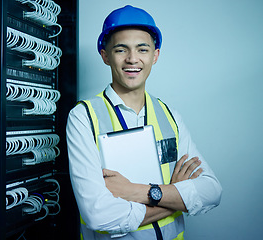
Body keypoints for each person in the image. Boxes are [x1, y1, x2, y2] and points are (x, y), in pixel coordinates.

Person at [66, 5, 222, 240]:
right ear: (105, 55)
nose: (132, 59)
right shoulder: (83, 117)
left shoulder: (169, 115)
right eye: (121, 50)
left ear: (155, 55)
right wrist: (176, 197)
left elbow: (212, 191)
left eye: (142, 49)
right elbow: (98, 215)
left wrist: (137, 192)